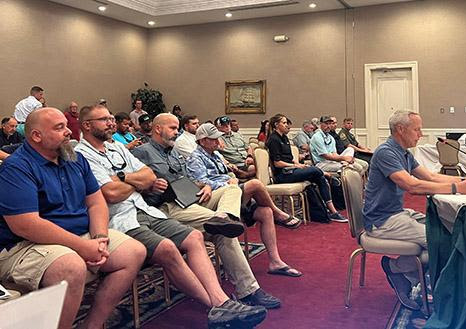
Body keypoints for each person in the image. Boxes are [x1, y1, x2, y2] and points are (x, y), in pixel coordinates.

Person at [74, 105, 268, 328]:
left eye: (111, 118)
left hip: (147, 210)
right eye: (104, 119)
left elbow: (148, 176)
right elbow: (110, 193)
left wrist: (122, 178)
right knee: (167, 248)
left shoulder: (117, 147)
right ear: (87, 125)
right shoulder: (82, 155)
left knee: (195, 238)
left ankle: (222, 301)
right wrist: (136, 182)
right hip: (120, 218)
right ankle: (217, 306)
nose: (111, 123)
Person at [0, 107, 146, 329]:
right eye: (60, 128)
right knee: (71, 267)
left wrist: (99, 238)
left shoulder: (74, 158)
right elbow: (25, 225)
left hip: (79, 234)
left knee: (133, 252)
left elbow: (96, 202)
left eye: (67, 126)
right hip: (25, 245)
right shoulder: (17, 167)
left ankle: (92, 325)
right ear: (36, 136)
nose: (69, 131)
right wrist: (82, 246)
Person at [134, 115, 300, 285]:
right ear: (157, 128)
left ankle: (274, 261)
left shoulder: (176, 153)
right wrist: (148, 187)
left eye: (177, 128)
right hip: (170, 205)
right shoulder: (142, 152)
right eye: (173, 128)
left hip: (198, 197)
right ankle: (248, 287)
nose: (177, 133)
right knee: (236, 206)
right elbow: (133, 186)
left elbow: (190, 180)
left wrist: (202, 186)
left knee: (261, 211)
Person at [363, 110, 466, 310]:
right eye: (417, 129)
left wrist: (464, 180)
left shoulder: (404, 153)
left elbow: (431, 177)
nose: (421, 134)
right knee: (441, 241)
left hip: (397, 214)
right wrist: (457, 189)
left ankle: (403, 274)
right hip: (381, 222)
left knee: (445, 232)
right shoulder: (386, 152)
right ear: (401, 129)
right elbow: (412, 186)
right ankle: (394, 268)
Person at [188, 123, 303, 274]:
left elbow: (228, 173)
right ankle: (278, 213)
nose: (218, 142)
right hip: (217, 199)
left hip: (231, 192)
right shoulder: (195, 158)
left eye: (218, 139)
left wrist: (233, 175)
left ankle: (275, 262)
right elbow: (199, 183)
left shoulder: (215, 155)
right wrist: (228, 181)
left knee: (265, 212)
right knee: (255, 184)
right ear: (202, 141)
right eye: (213, 139)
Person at [266, 114, 347, 222]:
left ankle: (333, 212)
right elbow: (277, 163)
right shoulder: (273, 139)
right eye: (284, 123)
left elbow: (289, 159)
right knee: (315, 171)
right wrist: (295, 165)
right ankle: (326, 175)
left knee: (319, 177)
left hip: (291, 170)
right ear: (276, 125)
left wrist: (298, 164)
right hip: (283, 175)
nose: (287, 125)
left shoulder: (284, 138)